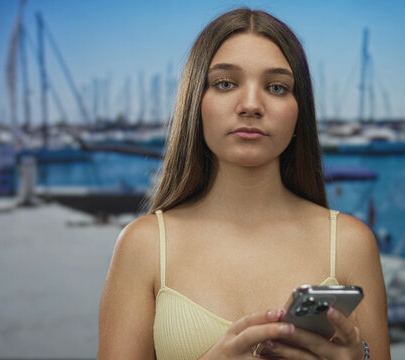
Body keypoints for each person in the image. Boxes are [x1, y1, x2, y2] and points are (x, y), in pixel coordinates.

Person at [98, 8, 389, 360]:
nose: (251, 105)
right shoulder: (143, 245)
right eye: (225, 83)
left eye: (277, 87)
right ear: (195, 103)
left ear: (299, 111)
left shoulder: (350, 243)